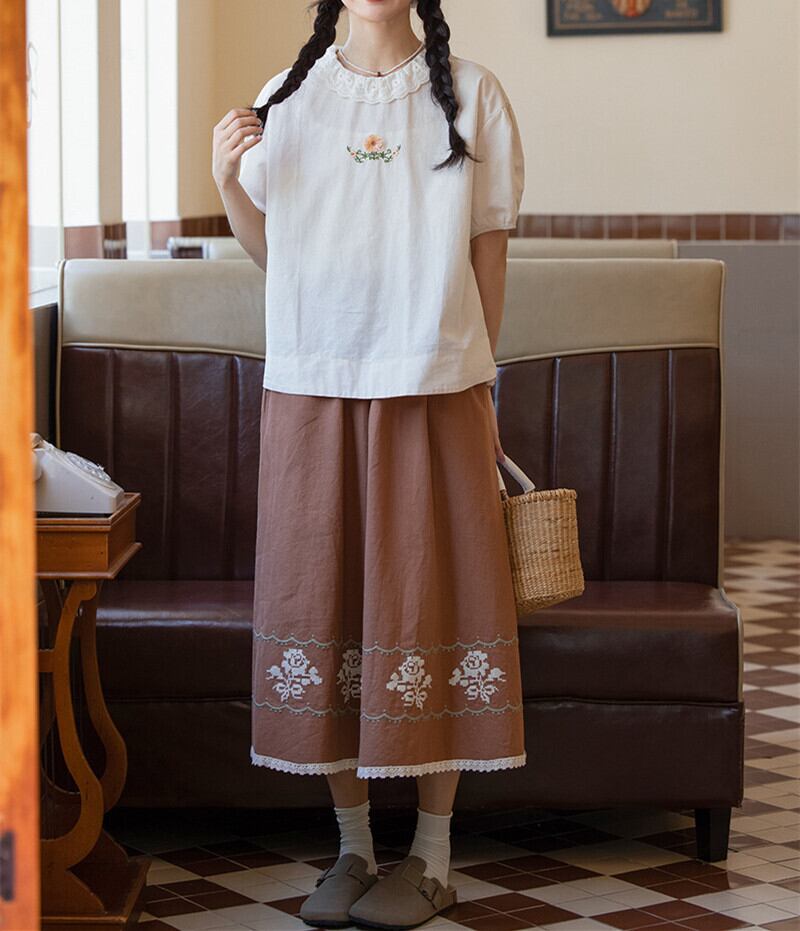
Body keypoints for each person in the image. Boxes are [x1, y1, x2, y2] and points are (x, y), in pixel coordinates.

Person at [212, 1, 526, 927]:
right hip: (312, 386)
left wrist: (481, 386)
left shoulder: (473, 95)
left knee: (432, 607)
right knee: (328, 607)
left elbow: (489, 254)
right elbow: (276, 256)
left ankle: (432, 856)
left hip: (436, 387)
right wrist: (226, 181)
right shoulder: (286, 97)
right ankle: (353, 847)